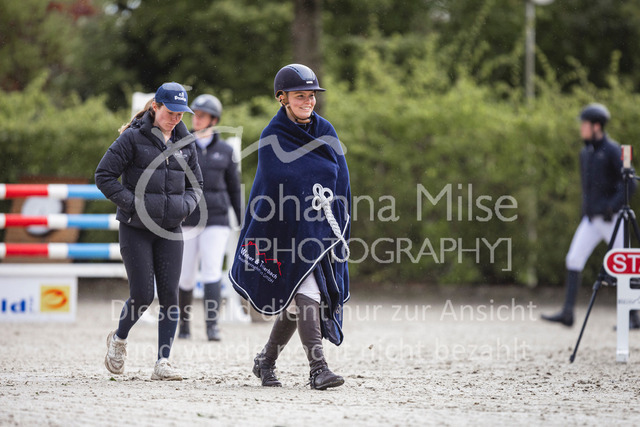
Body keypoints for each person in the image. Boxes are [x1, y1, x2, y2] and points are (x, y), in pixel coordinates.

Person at [229, 64, 351, 390]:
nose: (308, 101)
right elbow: (277, 181)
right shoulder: (273, 135)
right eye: (300, 96)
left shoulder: (326, 130)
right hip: (283, 230)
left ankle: (265, 360)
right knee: (307, 292)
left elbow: (340, 179)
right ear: (282, 98)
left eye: (311, 96)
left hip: (318, 230)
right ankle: (318, 368)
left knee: (297, 296)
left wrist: (337, 219)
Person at [95, 82, 203, 380]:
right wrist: (133, 204)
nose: (176, 119)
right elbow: (104, 175)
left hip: (171, 229)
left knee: (170, 296)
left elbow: (197, 185)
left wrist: (184, 206)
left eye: (181, 114)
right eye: (171, 112)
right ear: (155, 106)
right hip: (136, 228)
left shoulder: (187, 142)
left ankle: (163, 362)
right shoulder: (131, 138)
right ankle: (118, 339)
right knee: (142, 295)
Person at [542, 103, 639, 328]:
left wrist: (612, 206)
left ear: (596, 126)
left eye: (584, 124)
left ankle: (633, 316)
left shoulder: (613, 150)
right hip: (591, 219)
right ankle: (568, 312)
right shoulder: (585, 153)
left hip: (612, 220)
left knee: (624, 265)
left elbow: (629, 183)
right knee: (574, 258)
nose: (581, 128)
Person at [177, 94, 242, 341]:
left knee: (212, 270)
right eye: (195, 115)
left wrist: (242, 221)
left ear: (213, 120)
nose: (196, 119)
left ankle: (212, 326)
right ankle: (183, 325)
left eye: (202, 115)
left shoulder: (225, 151)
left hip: (216, 219)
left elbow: (234, 189)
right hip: (187, 219)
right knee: (185, 274)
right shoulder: (182, 147)